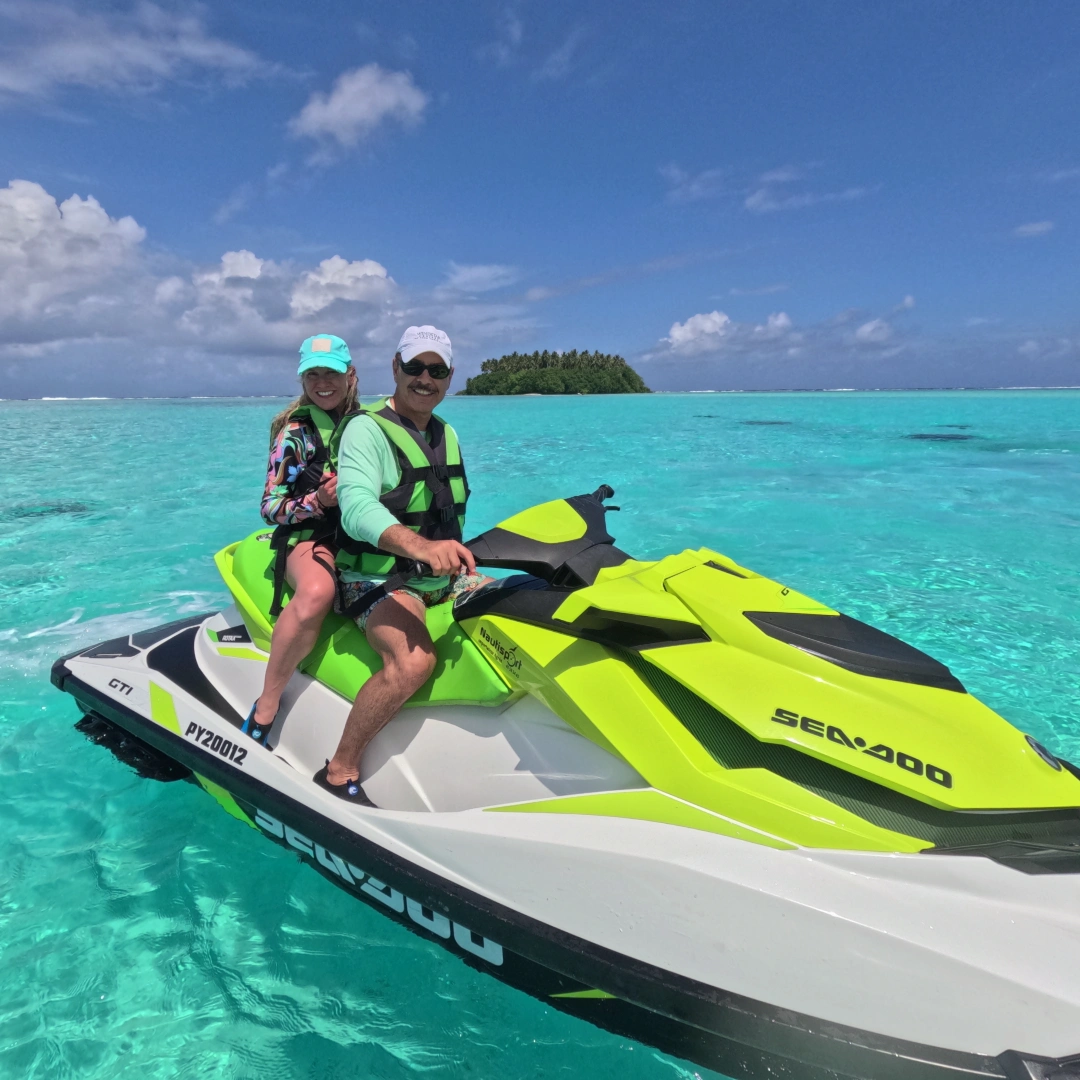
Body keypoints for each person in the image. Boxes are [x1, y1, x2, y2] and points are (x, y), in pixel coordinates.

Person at [314, 325, 490, 802]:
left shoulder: (445, 432)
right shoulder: (366, 430)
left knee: (517, 602)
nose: (424, 379)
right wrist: (421, 548)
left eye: (436, 370)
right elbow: (356, 508)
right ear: (395, 368)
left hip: (440, 578)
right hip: (376, 579)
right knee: (413, 662)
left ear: (450, 376)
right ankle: (339, 769)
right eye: (414, 367)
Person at [244, 333, 359, 746]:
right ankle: (267, 702)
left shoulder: (368, 427)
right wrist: (317, 501)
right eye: (312, 374)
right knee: (316, 592)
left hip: (359, 536)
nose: (322, 382)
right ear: (302, 379)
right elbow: (270, 507)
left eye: (331, 373)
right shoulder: (295, 434)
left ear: (351, 375)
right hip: (307, 536)